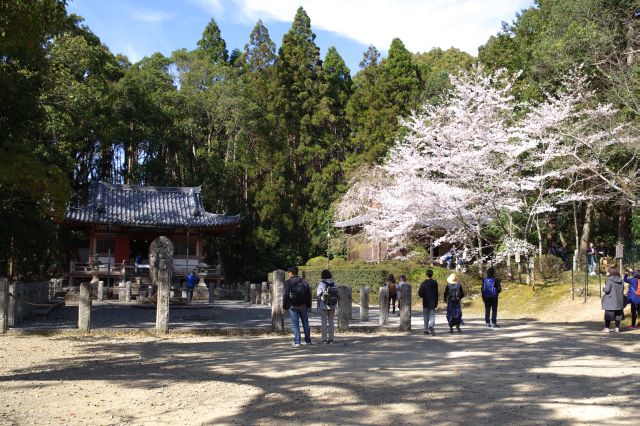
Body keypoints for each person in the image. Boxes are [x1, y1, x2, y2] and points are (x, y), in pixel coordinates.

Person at [283, 266, 312, 347]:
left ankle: (297, 341)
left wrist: (284, 307)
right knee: (305, 323)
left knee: (295, 324)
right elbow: (308, 294)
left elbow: (285, 295)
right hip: (303, 305)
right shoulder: (304, 281)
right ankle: (308, 341)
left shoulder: (288, 282)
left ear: (291, 273)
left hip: (293, 306)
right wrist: (308, 305)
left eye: (288, 272)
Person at [601, 267, 625, 333]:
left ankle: (607, 328)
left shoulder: (609, 280)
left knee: (608, 315)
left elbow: (607, 290)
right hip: (619, 300)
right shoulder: (621, 280)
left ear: (610, 272)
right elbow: (622, 289)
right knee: (618, 315)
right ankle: (617, 328)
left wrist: (604, 289)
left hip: (610, 301)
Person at [317, 269, 337, 343]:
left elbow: (318, 294)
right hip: (332, 304)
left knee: (324, 322)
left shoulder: (321, 283)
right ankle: (331, 339)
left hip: (324, 304)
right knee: (331, 322)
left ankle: (324, 339)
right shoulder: (334, 283)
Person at [418, 269, 438, 336]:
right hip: (433, 301)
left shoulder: (423, 283)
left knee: (426, 316)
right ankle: (431, 325)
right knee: (432, 315)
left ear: (426, 275)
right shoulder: (435, 283)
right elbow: (436, 293)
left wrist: (423, 296)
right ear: (432, 275)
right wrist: (436, 302)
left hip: (425, 301)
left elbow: (420, 293)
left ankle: (425, 330)